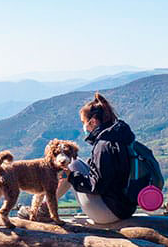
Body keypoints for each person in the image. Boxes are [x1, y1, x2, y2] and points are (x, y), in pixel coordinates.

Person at [54, 92, 137, 224]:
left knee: (70, 164)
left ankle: (44, 209)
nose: (84, 127)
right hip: (125, 207)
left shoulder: (103, 145)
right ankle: (45, 208)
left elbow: (97, 186)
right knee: (76, 164)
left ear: (92, 121)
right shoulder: (119, 136)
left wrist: (71, 176)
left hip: (109, 212)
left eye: (84, 122)